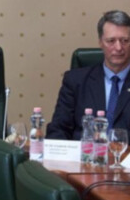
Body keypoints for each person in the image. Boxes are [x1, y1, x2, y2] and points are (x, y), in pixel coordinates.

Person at [47, 11, 130, 139]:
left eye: (125, 41)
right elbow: (58, 130)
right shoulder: (75, 81)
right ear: (100, 42)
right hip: (84, 151)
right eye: (111, 41)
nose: (118, 47)